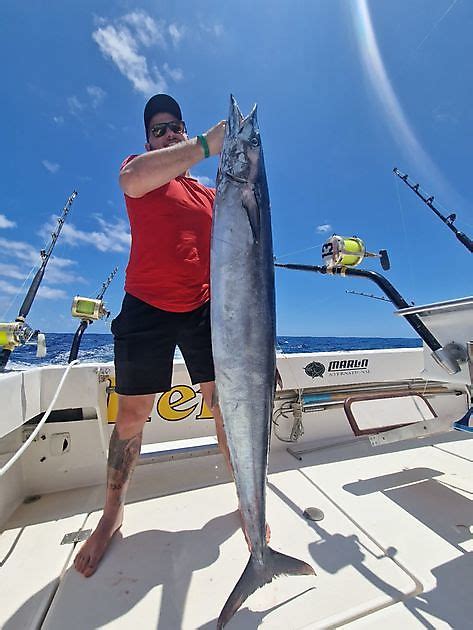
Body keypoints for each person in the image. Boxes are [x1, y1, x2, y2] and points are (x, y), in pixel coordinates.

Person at [74, 94, 227, 577]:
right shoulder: (139, 170)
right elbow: (132, 179)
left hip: (204, 310)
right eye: (158, 130)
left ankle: (248, 498)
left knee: (227, 405)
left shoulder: (207, 195)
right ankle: (112, 513)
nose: (168, 134)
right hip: (145, 307)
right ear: (148, 141)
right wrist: (207, 143)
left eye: (175, 128)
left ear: (182, 130)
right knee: (133, 415)